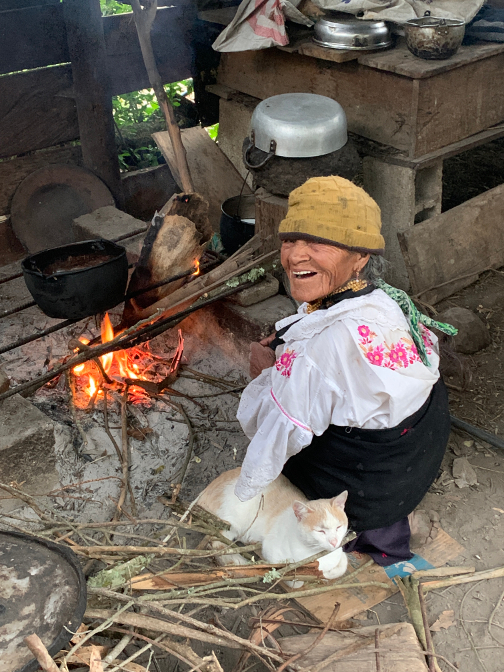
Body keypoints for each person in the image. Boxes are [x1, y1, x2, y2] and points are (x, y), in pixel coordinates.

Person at [234, 176, 456, 565]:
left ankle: (356, 534)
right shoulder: (384, 297)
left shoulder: (323, 349)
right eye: (290, 240)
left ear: (360, 257)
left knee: (288, 436)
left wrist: (265, 379)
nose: (295, 257)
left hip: (373, 486)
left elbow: (274, 437)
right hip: (415, 458)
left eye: (318, 243)